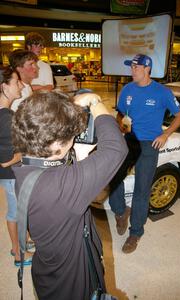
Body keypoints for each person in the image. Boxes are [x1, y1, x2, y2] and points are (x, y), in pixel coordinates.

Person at [11, 90, 128, 300]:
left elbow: (54, 170)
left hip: (48, 274)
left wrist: (79, 159)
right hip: (73, 284)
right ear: (56, 144)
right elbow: (115, 149)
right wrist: (94, 100)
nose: (73, 141)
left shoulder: (24, 168)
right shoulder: (62, 187)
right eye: (71, 137)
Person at [109, 54, 180, 254]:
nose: (132, 71)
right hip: (129, 139)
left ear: (147, 69)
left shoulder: (162, 92)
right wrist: (121, 125)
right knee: (114, 179)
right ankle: (120, 212)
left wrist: (166, 134)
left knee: (141, 191)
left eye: (135, 67)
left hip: (150, 144)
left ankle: (135, 233)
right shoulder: (127, 89)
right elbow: (120, 113)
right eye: (131, 67)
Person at [0, 66, 32, 266]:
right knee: (16, 212)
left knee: (21, 210)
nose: (21, 85)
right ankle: (17, 252)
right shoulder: (6, 118)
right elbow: (5, 160)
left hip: (9, 174)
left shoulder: (6, 114)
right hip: (10, 174)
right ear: (4, 87)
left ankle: (24, 241)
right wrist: (28, 151)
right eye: (16, 82)